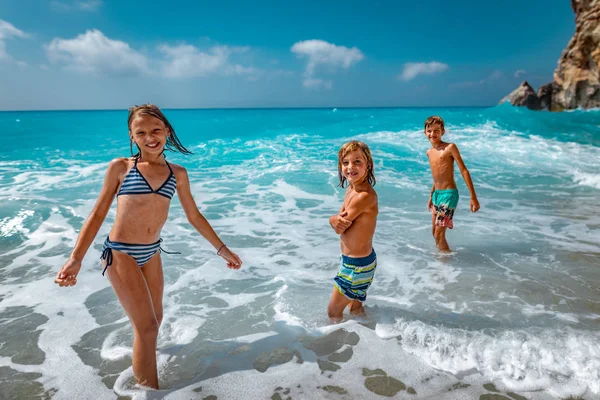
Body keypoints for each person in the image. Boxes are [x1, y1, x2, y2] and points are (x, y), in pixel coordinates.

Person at [54, 104, 242, 389]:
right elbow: (97, 213)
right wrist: (75, 258)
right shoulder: (121, 167)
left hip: (151, 252)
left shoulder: (177, 173)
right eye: (141, 132)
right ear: (132, 136)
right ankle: (148, 393)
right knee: (148, 327)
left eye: (156, 130)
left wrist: (222, 249)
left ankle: (144, 365)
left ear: (167, 131)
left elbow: (194, 216)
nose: (150, 137)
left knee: (155, 318)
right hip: (120, 252)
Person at [327, 140, 378, 323]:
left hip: (356, 265)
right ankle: (367, 335)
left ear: (368, 164)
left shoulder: (363, 196)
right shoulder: (351, 189)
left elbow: (341, 224)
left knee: (333, 312)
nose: (351, 167)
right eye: (346, 162)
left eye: (358, 161)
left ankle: (336, 347)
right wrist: (336, 221)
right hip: (361, 261)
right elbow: (341, 220)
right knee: (354, 308)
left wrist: (331, 220)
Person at [424, 115, 480, 252]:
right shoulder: (429, 152)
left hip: (449, 194)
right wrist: (431, 195)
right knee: (434, 233)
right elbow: (436, 176)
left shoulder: (450, 147)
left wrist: (473, 197)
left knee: (439, 233)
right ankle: (442, 260)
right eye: (430, 130)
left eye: (437, 130)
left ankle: (445, 265)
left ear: (443, 131)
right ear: (425, 132)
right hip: (437, 195)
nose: (433, 134)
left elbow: (464, 171)